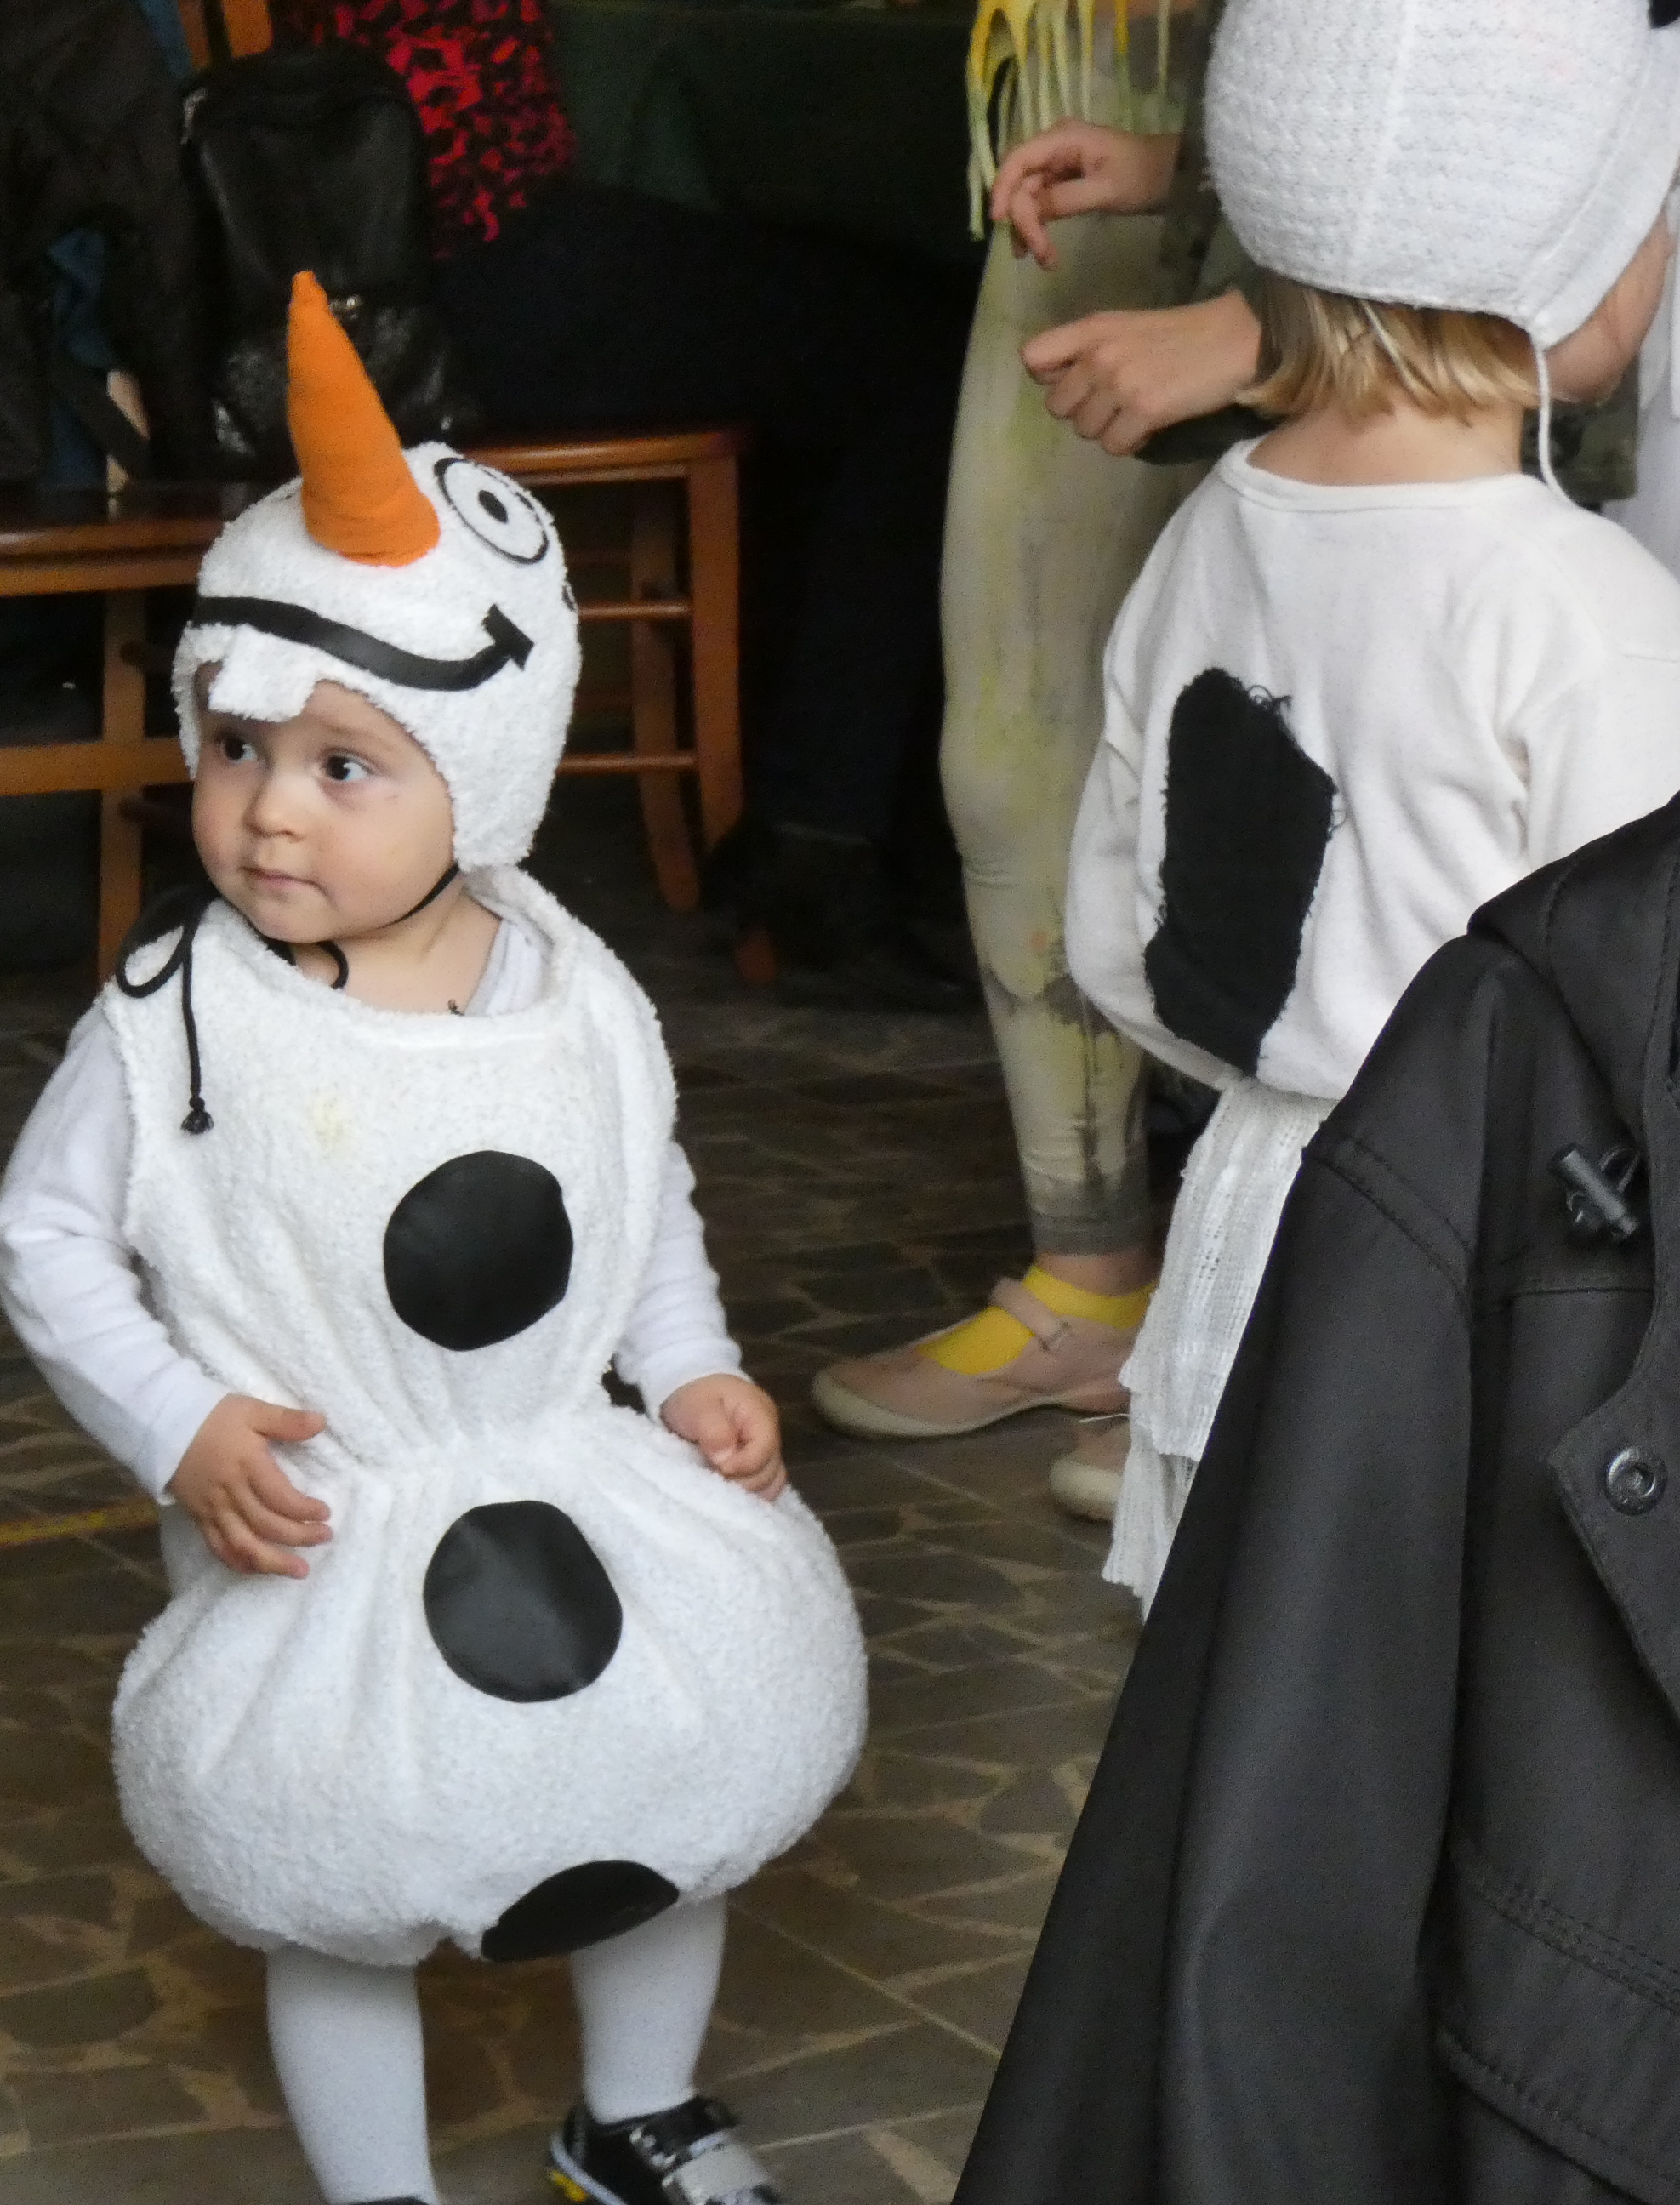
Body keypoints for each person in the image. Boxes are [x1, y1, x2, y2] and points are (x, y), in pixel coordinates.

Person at [0, 276, 867, 2205]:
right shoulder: (176, 1022)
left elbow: (635, 1188)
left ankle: (632, 2112)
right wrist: (176, 1423)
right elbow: (46, 1239)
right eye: (233, 746)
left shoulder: (565, 984)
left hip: (568, 1477)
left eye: (343, 764)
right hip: (321, 1516)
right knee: (330, 1872)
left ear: (485, 775)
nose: (267, 815)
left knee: (668, 1787)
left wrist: (689, 1362)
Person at [1058, 0, 1680, 1608]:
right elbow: (1651, 1029)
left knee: (1259, 1715)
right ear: (1566, 255)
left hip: (1250, 1241)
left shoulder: (1204, 536)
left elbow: (1122, 944)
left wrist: (1294, 1071)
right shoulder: (1586, 607)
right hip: (1497, 1306)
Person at [274, 0, 981, 1007]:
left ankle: (844, 820)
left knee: (866, 340)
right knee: (920, 354)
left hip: (408, 244)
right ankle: (830, 838)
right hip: (456, 257)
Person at [807, 3, 1218, 1507]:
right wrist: (1175, 162)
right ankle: (1093, 1281)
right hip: (1125, 75)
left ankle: (1325, 1331)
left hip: (1399, 177)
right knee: (1010, 752)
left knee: (1336, 763)